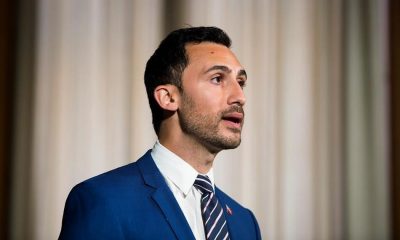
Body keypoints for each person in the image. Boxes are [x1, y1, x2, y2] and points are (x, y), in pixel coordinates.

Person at [59, 26, 261, 240]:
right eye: (217, 78)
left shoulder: (245, 222)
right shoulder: (103, 201)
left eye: (241, 82)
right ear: (168, 98)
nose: (240, 96)